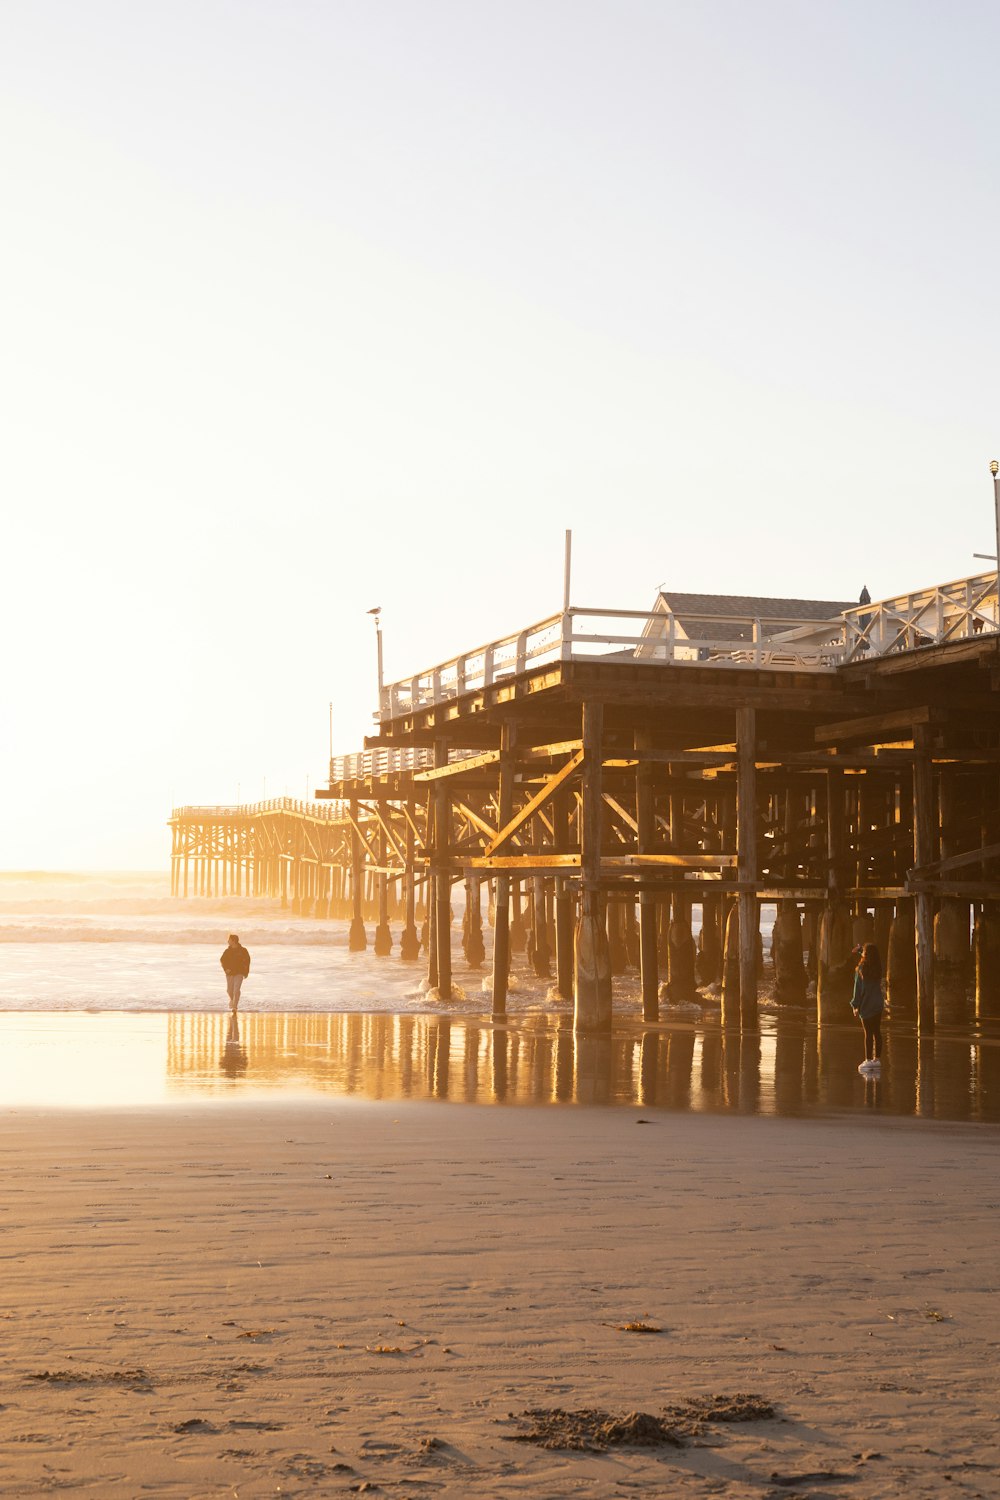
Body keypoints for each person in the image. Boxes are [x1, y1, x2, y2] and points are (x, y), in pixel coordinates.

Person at [851, 941, 884, 1074]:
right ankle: (877, 1060)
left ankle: (868, 1059)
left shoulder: (860, 969)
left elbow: (858, 989)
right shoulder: (878, 968)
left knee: (868, 1034)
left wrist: (855, 1004)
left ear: (865, 955)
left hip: (866, 1004)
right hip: (878, 1004)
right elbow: (871, 956)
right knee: (877, 1031)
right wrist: (860, 950)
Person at [220, 934, 250, 1012]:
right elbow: (222, 960)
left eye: (229, 940)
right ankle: (232, 1000)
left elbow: (247, 961)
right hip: (229, 973)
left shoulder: (243, 950)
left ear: (234, 941)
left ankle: (235, 1007)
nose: (228, 941)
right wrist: (225, 969)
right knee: (229, 990)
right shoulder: (227, 951)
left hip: (239, 972)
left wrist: (246, 972)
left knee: (236, 990)